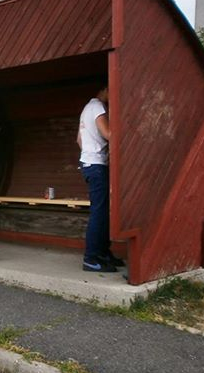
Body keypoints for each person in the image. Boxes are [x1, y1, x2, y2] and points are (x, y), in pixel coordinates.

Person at [77, 84, 124, 273]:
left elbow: (79, 140)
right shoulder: (97, 107)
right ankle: (91, 258)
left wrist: (89, 153)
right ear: (105, 89)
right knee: (99, 212)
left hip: (89, 164)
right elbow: (109, 134)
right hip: (96, 166)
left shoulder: (86, 109)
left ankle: (103, 253)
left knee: (102, 211)